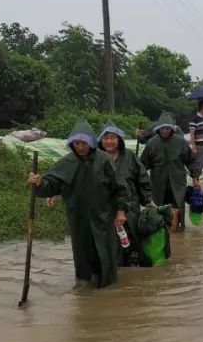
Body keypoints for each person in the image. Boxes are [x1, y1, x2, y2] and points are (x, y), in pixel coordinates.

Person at [27, 118, 129, 288]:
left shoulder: (104, 160)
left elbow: (120, 187)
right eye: (77, 143)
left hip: (103, 215)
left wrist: (120, 211)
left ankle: (108, 289)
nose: (80, 147)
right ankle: (84, 288)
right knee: (82, 255)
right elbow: (50, 185)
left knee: (105, 253)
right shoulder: (67, 162)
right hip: (78, 218)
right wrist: (39, 182)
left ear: (91, 142)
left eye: (84, 143)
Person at [97, 122, 153, 267]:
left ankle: (130, 266)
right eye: (105, 138)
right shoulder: (95, 158)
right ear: (100, 140)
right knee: (109, 240)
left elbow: (142, 178)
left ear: (119, 140)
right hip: (105, 206)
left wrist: (147, 200)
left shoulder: (130, 157)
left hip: (130, 205)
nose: (109, 141)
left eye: (112, 138)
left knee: (132, 237)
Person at [140, 113, 196, 231]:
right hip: (158, 181)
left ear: (171, 129)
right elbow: (142, 165)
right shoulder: (152, 143)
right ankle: (161, 229)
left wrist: (195, 178)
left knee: (178, 204)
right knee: (159, 206)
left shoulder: (180, 142)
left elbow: (190, 161)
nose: (164, 131)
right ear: (158, 129)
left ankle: (179, 228)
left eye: (167, 128)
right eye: (162, 128)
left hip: (177, 180)